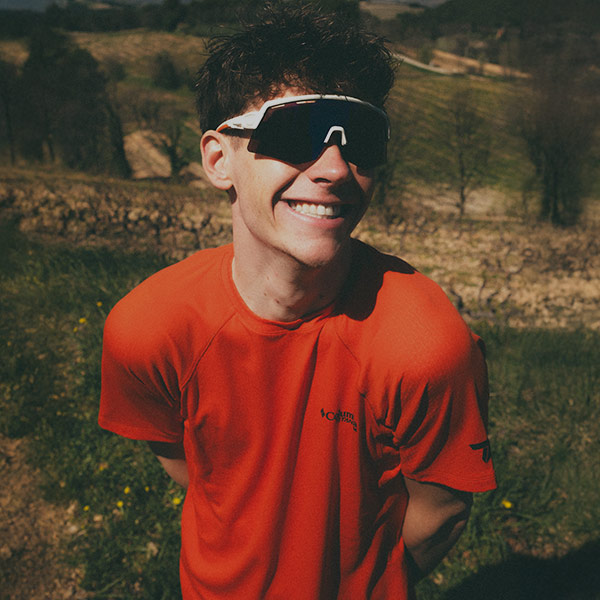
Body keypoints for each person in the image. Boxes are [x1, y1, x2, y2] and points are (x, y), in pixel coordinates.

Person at [98, 3, 497, 598]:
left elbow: (441, 512)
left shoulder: (426, 348)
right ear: (218, 160)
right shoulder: (148, 330)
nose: (335, 168)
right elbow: (190, 467)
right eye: (296, 132)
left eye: (361, 138)